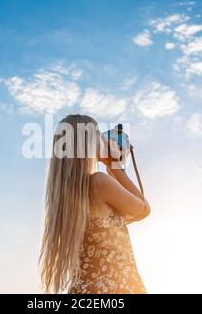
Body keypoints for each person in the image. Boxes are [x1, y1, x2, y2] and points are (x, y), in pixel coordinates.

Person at [39, 114, 151, 294]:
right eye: (98, 134)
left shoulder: (64, 198)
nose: (103, 139)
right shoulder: (99, 183)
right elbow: (142, 210)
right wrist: (114, 166)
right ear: (87, 143)